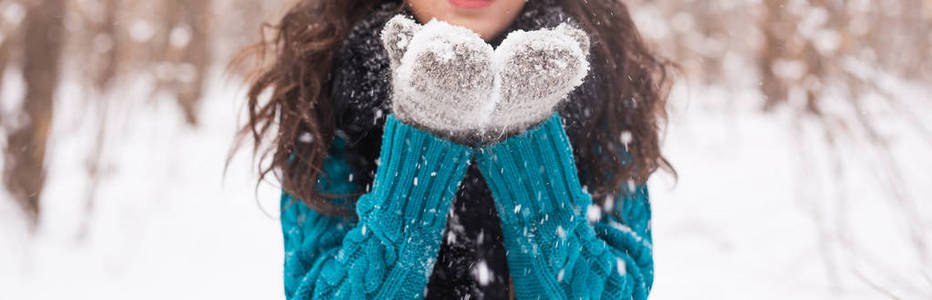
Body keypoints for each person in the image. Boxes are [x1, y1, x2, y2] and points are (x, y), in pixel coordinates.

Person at [238, 0, 673, 299]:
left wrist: (526, 136)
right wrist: (425, 137)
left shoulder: (602, 83)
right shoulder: (326, 86)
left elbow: (621, 288)